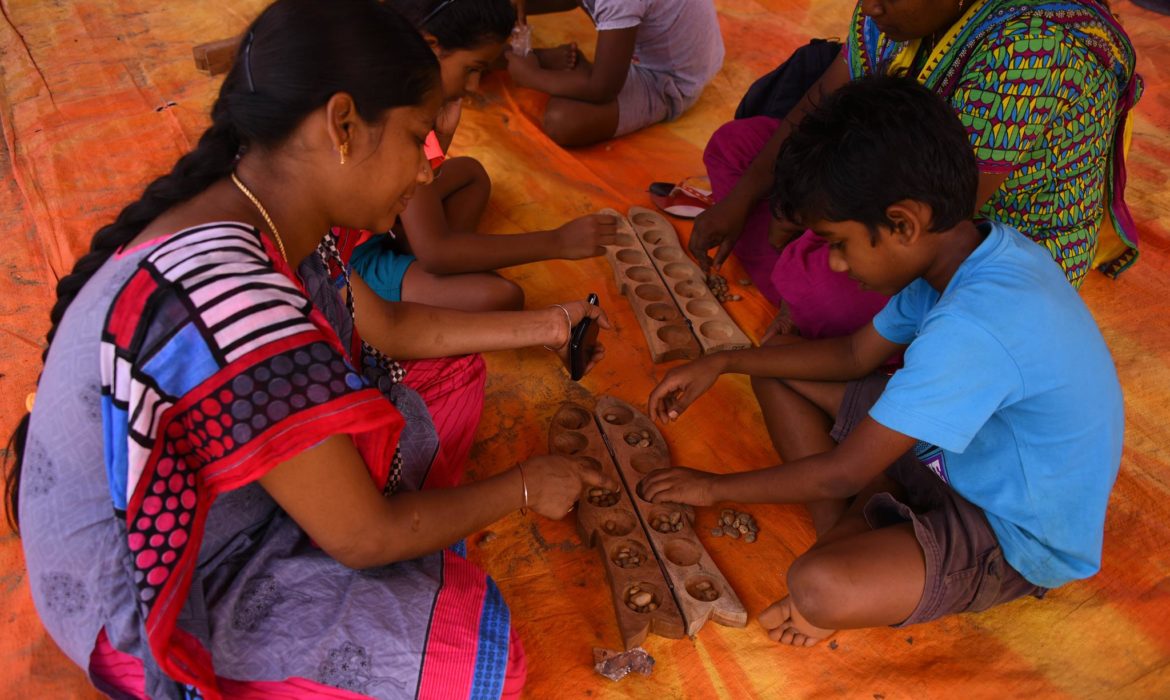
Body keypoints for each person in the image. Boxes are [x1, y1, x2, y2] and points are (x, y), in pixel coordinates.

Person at [3, 1, 613, 697]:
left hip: (235, 494)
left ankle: (372, 514)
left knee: (450, 376)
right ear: (343, 126)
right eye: (418, 138)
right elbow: (364, 538)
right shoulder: (236, 298)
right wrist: (525, 486)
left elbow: (393, 328)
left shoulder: (266, 203)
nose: (427, 169)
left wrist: (552, 324)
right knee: (475, 663)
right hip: (159, 585)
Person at [643, 75, 1124, 648]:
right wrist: (725, 365)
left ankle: (851, 539)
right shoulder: (966, 254)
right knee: (776, 363)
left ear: (903, 222)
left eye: (839, 243)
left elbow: (843, 468)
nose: (839, 266)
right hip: (959, 452)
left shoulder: (973, 326)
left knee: (817, 586)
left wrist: (712, 488)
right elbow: (853, 355)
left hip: (1012, 528)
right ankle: (848, 528)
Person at [692, 0, 1139, 340]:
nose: (868, 7)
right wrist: (748, 196)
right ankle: (813, 288)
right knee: (736, 149)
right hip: (879, 188)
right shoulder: (886, 12)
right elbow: (823, 102)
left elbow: (935, 221)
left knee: (820, 293)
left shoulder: (1035, 48)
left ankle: (818, 300)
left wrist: (810, 220)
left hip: (977, 240)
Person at [351, 0, 619, 312]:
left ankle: (433, 263)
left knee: (471, 175)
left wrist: (442, 138)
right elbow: (436, 252)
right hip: (351, 261)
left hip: (377, 220)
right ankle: (413, 278)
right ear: (431, 46)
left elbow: (415, 186)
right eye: (473, 69)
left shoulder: (395, 76)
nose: (475, 85)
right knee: (500, 295)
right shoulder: (398, 114)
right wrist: (557, 241)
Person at [506, 0, 725, 147]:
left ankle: (574, 69)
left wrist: (531, 76)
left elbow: (603, 88)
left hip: (669, 79)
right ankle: (578, 70)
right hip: (686, 52)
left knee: (562, 120)